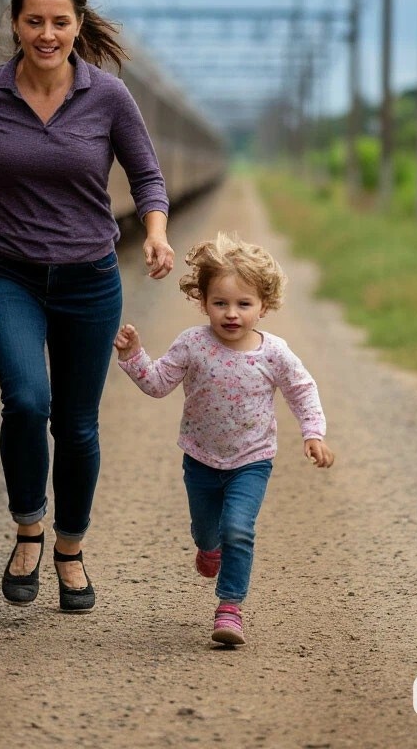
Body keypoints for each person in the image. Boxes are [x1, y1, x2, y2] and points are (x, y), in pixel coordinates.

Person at [0, 0, 174, 614]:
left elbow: (147, 176)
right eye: (35, 21)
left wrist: (157, 233)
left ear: (78, 25)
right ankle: (29, 531)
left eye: (60, 22)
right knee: (27, 402)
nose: (47, 33)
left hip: (89, 278)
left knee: (78, 424)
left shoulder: (109, 97)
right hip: (5, 271)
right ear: (15, 23)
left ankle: (70, 549)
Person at [114, 232, 334, 646]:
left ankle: (230, 608)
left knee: (238, 529)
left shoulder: (274, 354)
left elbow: (302, 389)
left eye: (244, 304)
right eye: (221, 303)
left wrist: (313, 433)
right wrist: (134, 357)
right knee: (206, 532)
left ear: (263, 306)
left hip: (251, 461)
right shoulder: (193, 344)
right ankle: (207, 547)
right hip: (200, 459)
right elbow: (159, 384)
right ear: (204, 303)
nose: (231, 314)